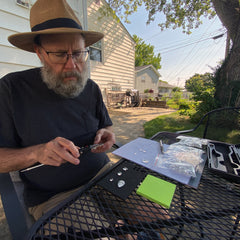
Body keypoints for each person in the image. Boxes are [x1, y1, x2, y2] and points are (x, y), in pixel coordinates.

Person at [0, 0, 115, 220]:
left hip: (105, 173)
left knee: (159, 213)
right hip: (56, 196)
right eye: (61, 54)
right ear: (39, 53)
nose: (72, 65)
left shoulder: (90, 87)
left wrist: (109, 133)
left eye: (79, 53)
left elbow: (106, 125)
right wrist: (37, 152)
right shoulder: (11, 89)